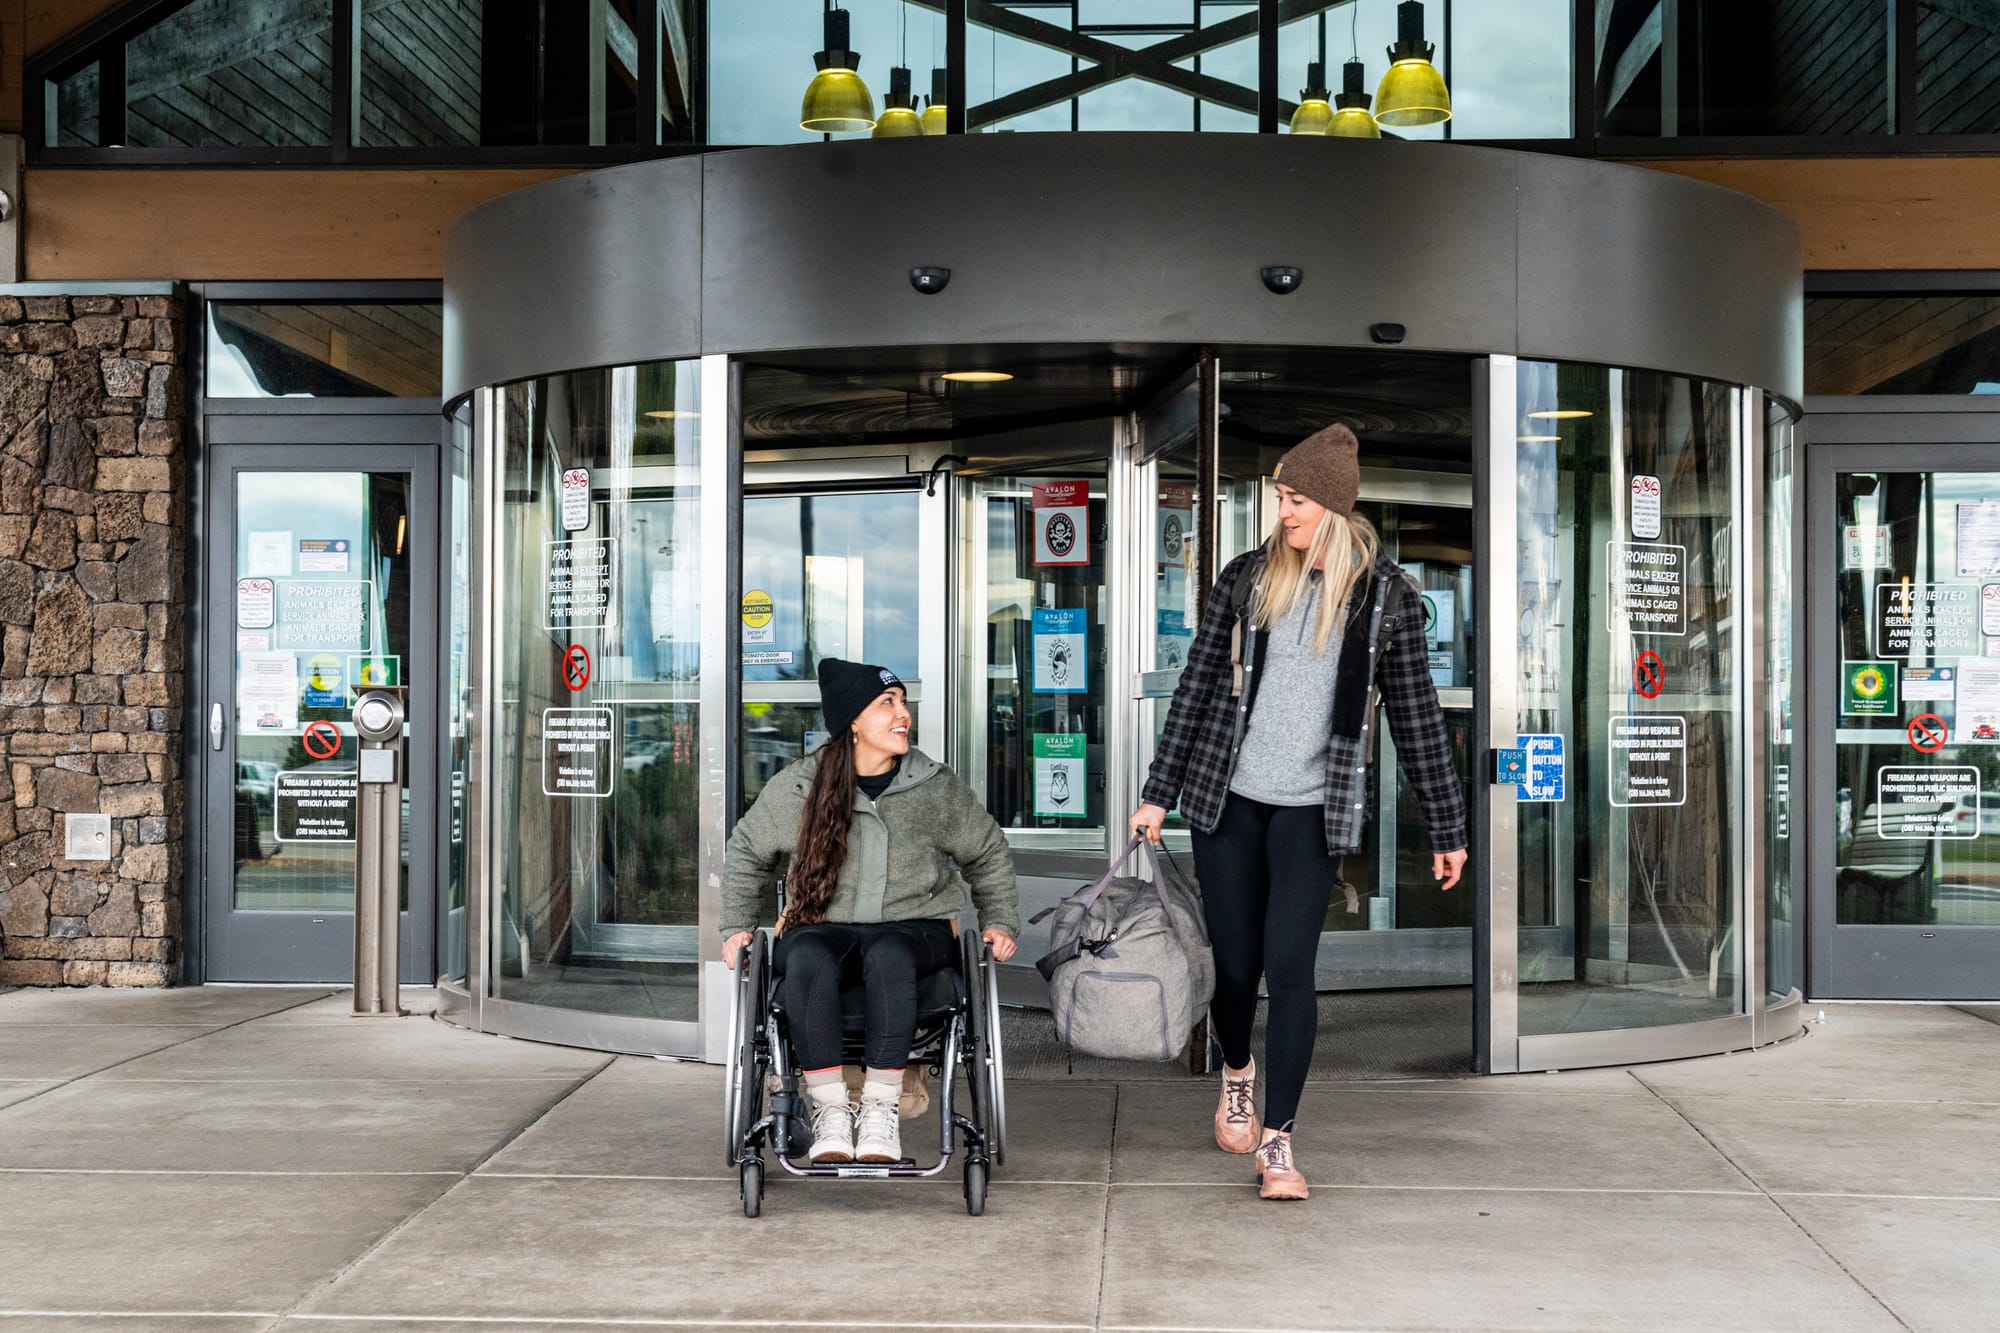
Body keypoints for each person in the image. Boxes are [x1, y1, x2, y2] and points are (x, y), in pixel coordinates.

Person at [1129, 423, 1468, 1202]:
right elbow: (1196, 693)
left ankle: (1278, 1141)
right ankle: (1237, 1071)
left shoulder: (1385, 599)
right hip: (1227, 799)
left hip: (1313, 812)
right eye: (1281, 496)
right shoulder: (1247, 579)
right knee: (1237, 969)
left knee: (1290, 967)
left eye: (1298, 499)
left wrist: (1448, 829)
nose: (1283, 511)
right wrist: (1158, 790)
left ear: (1337, 507)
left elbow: (1415, 718)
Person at [722, 658, 1020, 1166]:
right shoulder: (800, 786)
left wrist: (999, 920)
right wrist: (736, 927)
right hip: (823, 924)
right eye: (888, 703)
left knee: (888, 953)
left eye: (902, 702)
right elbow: (748, 851)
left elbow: (987, 850)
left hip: (915, 929)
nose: (903, 713)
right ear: (853, 722)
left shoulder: (933, 786)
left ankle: (881, 1112)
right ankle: (832, 1112)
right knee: (809, 953)